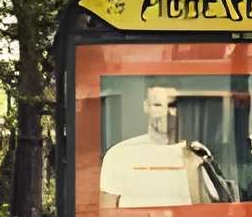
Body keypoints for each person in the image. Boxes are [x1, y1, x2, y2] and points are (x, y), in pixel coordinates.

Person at [98, 84, 228, 209]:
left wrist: (194, 171)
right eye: (157, 105)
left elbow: (210, 211)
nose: (166, 113)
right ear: (146, 106)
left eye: (171, 105)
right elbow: (107, 214)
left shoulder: (197, 152)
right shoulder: (119, 154)